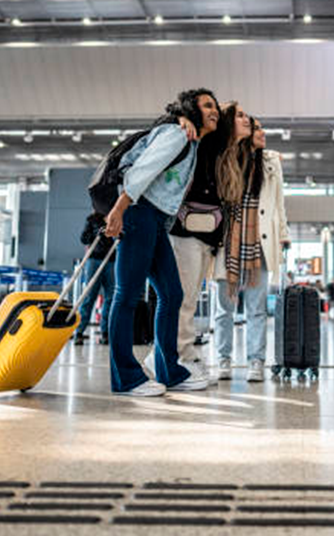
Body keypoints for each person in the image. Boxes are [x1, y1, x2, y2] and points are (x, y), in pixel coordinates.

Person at [103, 88, 220, 396]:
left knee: (171, 293)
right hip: (138, 211)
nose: (215, 111)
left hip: (154, 219)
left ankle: (170, 370)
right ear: (191, 110)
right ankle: (125, 377)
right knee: (127, 294)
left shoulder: (191, 141)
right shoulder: (176, 134)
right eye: (207, 105)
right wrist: (119, 210)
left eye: (216, 107)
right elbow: (142, 172)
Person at [144, 99, 238, 379]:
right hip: (185, 230)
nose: (247, 121)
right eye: (240, 115)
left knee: (189, 297)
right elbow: (164, 124)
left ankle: (173, 355)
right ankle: (178, 356)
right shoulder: (196, 137)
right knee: (182, 298)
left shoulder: (222, 150)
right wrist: (178, 118)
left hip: (205, 232)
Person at [214, 115, 290, 382]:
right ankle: (223, 359)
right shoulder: (226, 157)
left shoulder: (270, 162)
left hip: (260, 241)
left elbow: (279, 203)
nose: (262, 132)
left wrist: (284, 234)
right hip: (229, 241)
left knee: (257, 309)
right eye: (256, 128)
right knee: (224, 309)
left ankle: (256, 361)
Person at [73, 212, 115, 346]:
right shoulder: (92, 219)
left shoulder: (116, 216)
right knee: (89, 296)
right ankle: (79, 332)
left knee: (110, 297)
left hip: (111, 261)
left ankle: (105, 333)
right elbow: (84, 238)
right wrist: (97, 233)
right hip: (94, 260)